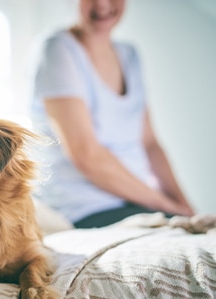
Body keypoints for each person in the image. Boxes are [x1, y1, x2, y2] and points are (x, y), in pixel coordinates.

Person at [28, 0, 194, 228]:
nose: (103, 4)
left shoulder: (130, 55)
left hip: (138, 203)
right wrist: (165, 206)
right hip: (85, 209)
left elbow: (150, 144)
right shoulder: (56, 49)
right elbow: (86, 155)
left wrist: (187, 209)